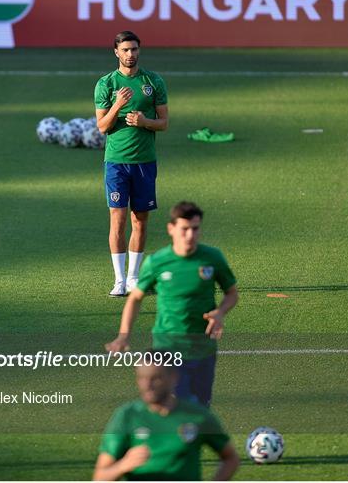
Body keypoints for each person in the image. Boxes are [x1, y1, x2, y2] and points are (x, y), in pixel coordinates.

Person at [105, 201, 239, 406]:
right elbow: (135, 298)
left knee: (201, 409)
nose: (190, 235)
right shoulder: (157, 262)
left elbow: (231, 294)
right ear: (171, 229)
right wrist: (123, 336)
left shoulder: (212, 258)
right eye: (184, 229)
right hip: (167, 349)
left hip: (203, 348)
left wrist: (220, 312)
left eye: (195, 229)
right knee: (176, 408)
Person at [94, 31, 169, 297]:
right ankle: (118, 279)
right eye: (125, 50)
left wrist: (144, 122)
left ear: (139, 50)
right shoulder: (106, 84)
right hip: (116, 162)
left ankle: (134, 278)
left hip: (144, 162)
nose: (130, 54)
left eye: (134, 49)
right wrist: (118, 105)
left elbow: (164, 122)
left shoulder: (153, 81)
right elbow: (102, 127)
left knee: (140, 220)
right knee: (118, 219)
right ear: (116, 52)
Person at [93, 354, 240, 481]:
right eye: (142, 378)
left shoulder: (197, 416)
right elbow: (100, 477)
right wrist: (123, 465)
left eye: (155, 378)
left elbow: (230, 458)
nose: (147, 385)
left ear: (173, 377)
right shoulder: (127, 416)